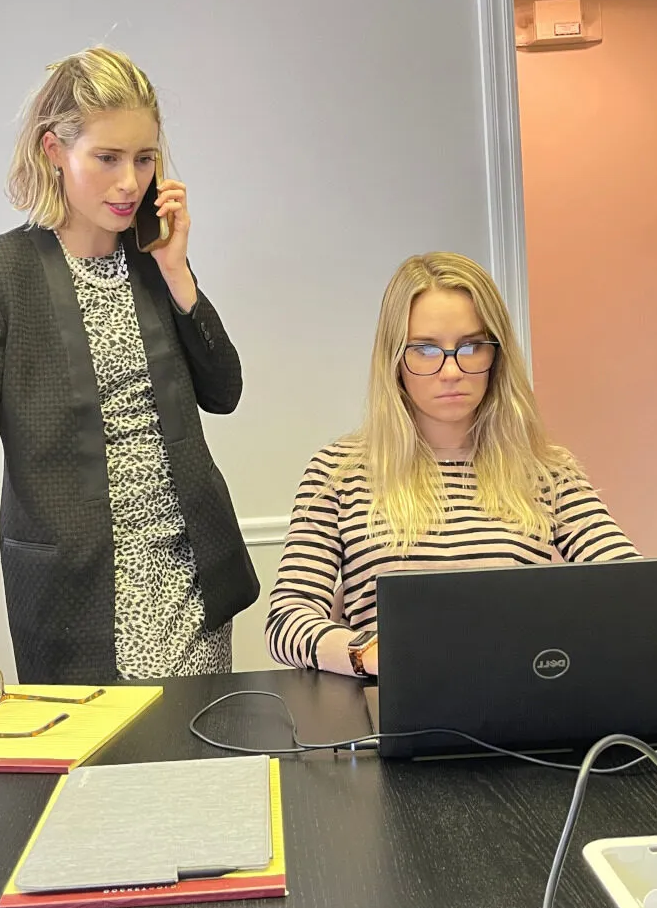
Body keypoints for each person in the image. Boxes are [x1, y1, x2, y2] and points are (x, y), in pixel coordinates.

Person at [0, 47, 258, 711]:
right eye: (108, 157)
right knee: (99, 785)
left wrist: (180, 274)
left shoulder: (154, 258)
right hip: (77, 593)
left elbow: (224, 391)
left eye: (146, 158)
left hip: (189, 579)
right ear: (53, 149)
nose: (131, 181)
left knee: (192, 772)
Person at [266, 252, 637, 676]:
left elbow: (630, 587)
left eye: (471, 347)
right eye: (425, 349)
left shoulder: (547, 470)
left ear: (496, 356)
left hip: (521, 702)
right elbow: (286, 622)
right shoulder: (338, 472)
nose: (451, 371)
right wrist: (366, 653)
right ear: (394, 360)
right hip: (396, 711)